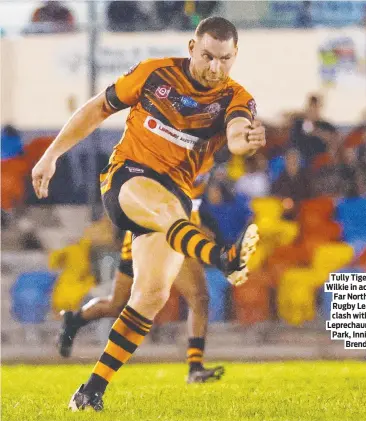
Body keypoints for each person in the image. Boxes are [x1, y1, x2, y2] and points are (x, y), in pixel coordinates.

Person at [31, 17, 264, 411]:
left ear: (235, 56)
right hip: (128, 179)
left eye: (225, 60)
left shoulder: (235, 98)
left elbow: (239, 133)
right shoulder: (154, 74)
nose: (215, 68)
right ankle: (220, 257)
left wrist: (247, 141)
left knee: (150, 295)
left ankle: (91, 391)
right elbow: (96, 109)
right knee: (167, 212)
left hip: (174, 199)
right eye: (208, 56)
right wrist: (51, 155)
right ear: (192, 47)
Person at [58, 173, 225, 384]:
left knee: (199, 297)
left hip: (178, 236)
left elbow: (193, 201)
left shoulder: (201, 157)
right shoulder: (166, 156)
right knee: (117, 305)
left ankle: (195, 366)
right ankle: (76, 322)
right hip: (152, 235)